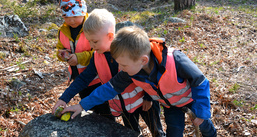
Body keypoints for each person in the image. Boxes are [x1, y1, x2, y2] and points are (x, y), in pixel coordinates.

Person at [61, 26, 218, 137]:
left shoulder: (175, 60)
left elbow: (200, 82)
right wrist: (81, 105)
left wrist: (202, 112)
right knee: (174, 132)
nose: (120, 69)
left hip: (192, 101)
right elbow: (108, 89)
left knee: (204, 126)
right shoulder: (131, 69)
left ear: (143, 60)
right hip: (171, 107)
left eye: (123, 65)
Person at [52, 9, 165, 137]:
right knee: (131, 133)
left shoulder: (128, 53)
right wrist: (64, 98)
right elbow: (83, 79)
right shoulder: (96, 56)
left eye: (95, 41)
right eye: (89, 41)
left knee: (157, 132)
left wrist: (148, 97)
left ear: (110, 36)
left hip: (145, 101)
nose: (91, 45)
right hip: (125, 107)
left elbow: (148, 74)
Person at [55, 0, 111, 119]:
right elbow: (60, 47)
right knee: (91, 110)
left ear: (83, 12)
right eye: (67, 17)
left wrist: (79, 57)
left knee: (105, 111)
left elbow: (98, 53)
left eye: (75, 16)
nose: (71, 20)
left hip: (97, 78)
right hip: (79, 78)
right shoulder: (63, 31)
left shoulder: (92, 28)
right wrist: (61, 54)